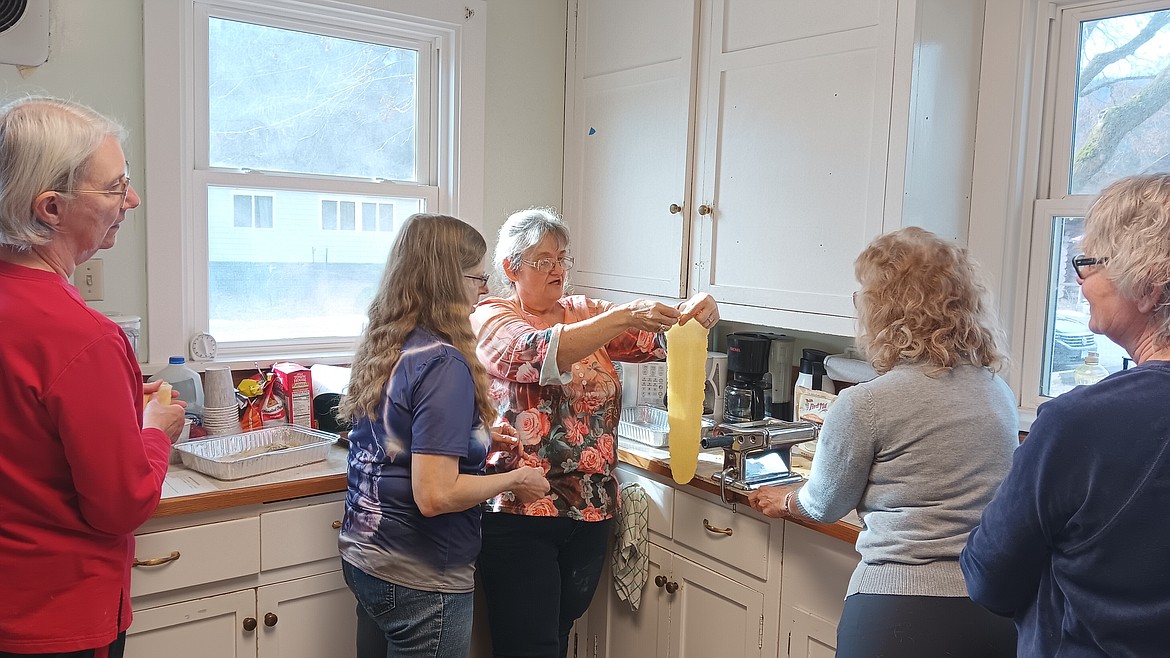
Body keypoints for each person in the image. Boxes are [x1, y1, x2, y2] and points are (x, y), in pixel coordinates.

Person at [747, 226, 1018, 658]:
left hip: (899, 612)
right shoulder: (996, 392)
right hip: (991, 612)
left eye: (864, 294)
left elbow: (824, 504)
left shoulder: (865, 404)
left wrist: (786, 501)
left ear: (884, 309)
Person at [470, 207, 719, 658]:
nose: (558, 269)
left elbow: (661, 340)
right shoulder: (491, 317)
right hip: (520, 512)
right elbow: (534, 354)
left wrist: (695, 314)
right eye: (544, 260)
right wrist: (622, 316)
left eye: (563, 258)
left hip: (591, 508)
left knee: (559, 631)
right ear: (511, 268)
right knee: (529, 644)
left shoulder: (584, 311)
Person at [0, 97, 187, 657]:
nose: (130, 199)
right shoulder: (82, 337)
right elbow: (120, 506)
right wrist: (154, 431)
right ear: (51, 208)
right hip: (57, 620)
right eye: (114, 187)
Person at [961, 174, 1170, 656]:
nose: (1080, 278)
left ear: (1150, 286)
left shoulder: (1081, 424)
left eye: (1090, 263)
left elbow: (988, 577)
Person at [337, 213, 550, 658]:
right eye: (477, 278)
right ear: (447, 282)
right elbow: (434, 495)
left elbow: (401, 441)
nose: (484, 291)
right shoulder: (445, 363)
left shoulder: (391, 340)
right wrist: (516, 480)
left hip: (366, 558)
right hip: (421, 575)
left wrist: (478, 439)